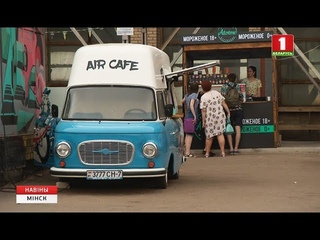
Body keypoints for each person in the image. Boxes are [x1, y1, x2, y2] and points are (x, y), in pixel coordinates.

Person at [200, 80, 230, 158]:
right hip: (220, 116)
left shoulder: (203, 97)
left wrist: (203, 121)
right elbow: (223, 103)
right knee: (220, 134)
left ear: (203, 88)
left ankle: (207, 153)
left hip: (209, 118)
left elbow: (203, 110)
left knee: (209, 136)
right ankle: (223, 152)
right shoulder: (217, 93)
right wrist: (228, 111)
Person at [221, 73, 244, 154]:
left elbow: (222, 98)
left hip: (228, 111)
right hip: (238, 109)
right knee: (238, 129)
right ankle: (236, 148)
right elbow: (241, 97)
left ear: (227, 79)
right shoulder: (238, 86)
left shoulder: (224, 87)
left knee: (229, 129)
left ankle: (230, 148)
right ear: (235, 79)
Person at [181, 83, 199, 158]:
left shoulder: (187, 95)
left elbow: (182, 101)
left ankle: (186, 152)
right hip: (191, 117)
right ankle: (188, 153)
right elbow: (191, 105)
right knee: (190, 135)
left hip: (186, 116)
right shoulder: (194, 95)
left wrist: (186, 105)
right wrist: (195, 115)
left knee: (187, 135)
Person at [197, 90, 215, 157]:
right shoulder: (207, 101)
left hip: (203, 120)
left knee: (206, 135)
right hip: (208, 120)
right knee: (209, 136)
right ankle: (207, 150)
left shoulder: (200, 104)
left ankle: (206, 149)